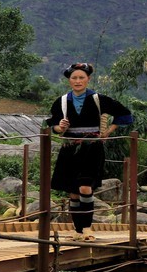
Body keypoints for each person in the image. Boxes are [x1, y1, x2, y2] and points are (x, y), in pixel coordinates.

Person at [45, 62, 133, 240]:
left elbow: (125, 114)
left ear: (88, 79)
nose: (78, 81)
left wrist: (108, 131)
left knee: (85, 187)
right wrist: (60, 127)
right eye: (74, 78)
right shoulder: (62, 102)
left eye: (81, 77)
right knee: (73, 192)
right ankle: (77, 231)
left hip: (92, 149)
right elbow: (53, 126)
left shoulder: (98, 99)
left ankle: (87, 228)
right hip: (69, 149)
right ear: (69, 80)